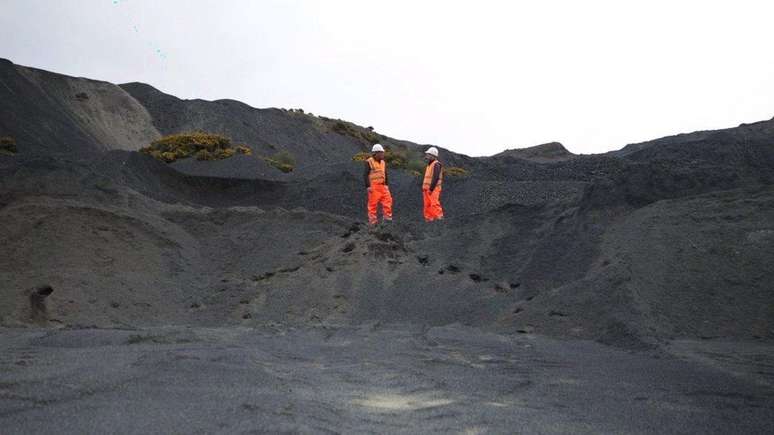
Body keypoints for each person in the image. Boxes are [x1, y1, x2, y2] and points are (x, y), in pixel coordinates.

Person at [364, 144, 393, 225]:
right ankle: (373, 223)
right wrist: (368, 186)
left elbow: (385, 174)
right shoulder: (369, 161)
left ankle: (387, 221)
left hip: (383, 186)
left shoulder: (383, 162)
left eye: (382, 153)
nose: (382, 154)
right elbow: (365, 174)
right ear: (375, 153)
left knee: (388, 202)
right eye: (381, 153)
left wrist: (387, 185)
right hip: (374, 187)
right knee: (372, 205)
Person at [422, 147, 444, 222]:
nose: (427, 156)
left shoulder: (436, 164)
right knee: (427, 205)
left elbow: (435, 178)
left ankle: (440, 219)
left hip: (433, 189)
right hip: (426, 189)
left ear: (433, 155)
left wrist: (431, 189)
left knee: (434, 204)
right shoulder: (429, 165)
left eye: (428, 154)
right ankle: (429, 220)